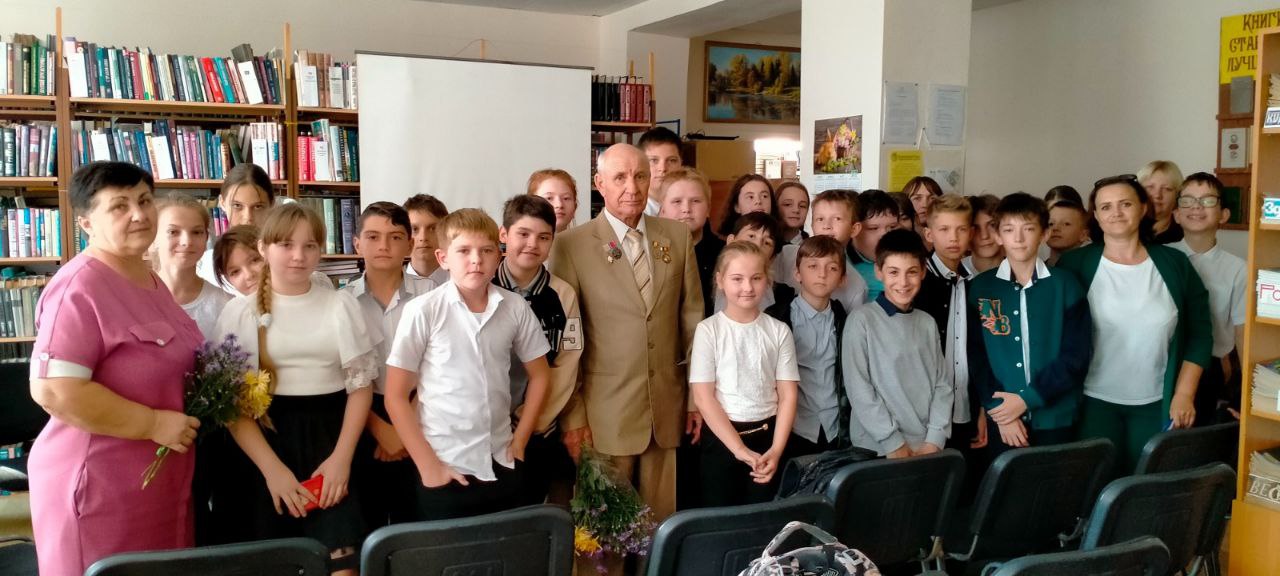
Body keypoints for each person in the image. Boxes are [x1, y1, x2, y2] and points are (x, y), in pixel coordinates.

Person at [29, 162, 204, 575]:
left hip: (156, 483)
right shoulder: (79, 287)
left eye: (144, 201)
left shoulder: (149, 280)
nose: (139, 214)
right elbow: (54, 390)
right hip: (100, 488)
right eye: (119, 206)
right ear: (87, 223)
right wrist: (152, 423)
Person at [214, 204, 379, 572]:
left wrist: (341, 460)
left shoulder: (341, 305)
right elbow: (233, 408)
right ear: (263, 248)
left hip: (331, 440)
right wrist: (273, 470)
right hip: (264, 445)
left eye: (310, 246)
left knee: (342, 562)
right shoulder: (240, 313)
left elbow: (360, 388)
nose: (298, 256)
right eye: (286, 245)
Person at [550, 143, 703, 527]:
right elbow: (568, 343)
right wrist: (573, 418)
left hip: (666, 410)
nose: (631, 187)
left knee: (660, 529)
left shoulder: (676, 236)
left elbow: (692, 321)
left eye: (640, 176)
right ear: (599, 183)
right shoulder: (570, 245)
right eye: (619, 178)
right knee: (607, 536)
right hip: (604, 416)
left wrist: (695, 397)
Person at [384, 209, 551, 520]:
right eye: (463, 251)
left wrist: (521, 440)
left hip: (502, 459)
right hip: (444, 464)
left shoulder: (514, 307)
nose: (476, 260)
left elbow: (540, 375)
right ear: (443, 258)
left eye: (486, 251)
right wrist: (428, 466)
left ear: (498, 256)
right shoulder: (423, 310)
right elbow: (395, 396)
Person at [1058, 175, 1211, 473]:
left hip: (1157, 401)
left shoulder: (1175, 263)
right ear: (1096, 216)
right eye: (1106, 207)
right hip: (1092, 402)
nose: (1116, 213)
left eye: (1125, 204)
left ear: (1142, 208)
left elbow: (1200, 334)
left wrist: (1184, 394)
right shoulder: (1074, 265)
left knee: (1147, 487)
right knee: (1092, 484)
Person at [968, 193, 1092, 456]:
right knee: (1005, 479)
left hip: (1056, 417)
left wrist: (1027, 399)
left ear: (1044, 234)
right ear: (998, 236)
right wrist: (999, 410)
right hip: (1003, 418)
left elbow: (1076, 356)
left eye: (1028, 229)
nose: (1018, 238)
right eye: (1009, 230)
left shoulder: (1066, 285)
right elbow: (976, 357)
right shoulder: (980, 288)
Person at [343, 202, 437, 529]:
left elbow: (441, 366)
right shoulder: (342, 302)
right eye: (373, 237)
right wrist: (383, 431)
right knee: (367, 524)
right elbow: (339, 376)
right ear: (357, 243)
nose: (384, 245)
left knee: (418, 524)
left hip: (422, 411)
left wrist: (405, 426)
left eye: (395, 237)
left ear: (409, 245)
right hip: (362, 416)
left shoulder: (433, 295)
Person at [690, 241, 798, 507]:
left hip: (768, 437)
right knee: (720, 517)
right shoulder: (708, 330)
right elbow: (703, 397)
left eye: (756, 278)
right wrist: (738, 449)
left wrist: (776, 450)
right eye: (737, 279)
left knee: (762, 517)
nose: (747, 287)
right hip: (721, 439)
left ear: (767, 280)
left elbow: (788, 395)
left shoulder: (778, 330)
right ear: (720, 280)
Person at [495, 195, 583, 506]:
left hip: (540, 429)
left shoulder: (563, 294)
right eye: (523, 234)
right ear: (504, 234)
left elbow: (567, 364)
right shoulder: (481, 285)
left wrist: (529, 421)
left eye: (543, 237)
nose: (532, 244)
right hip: (486, 429)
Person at [843, 229, 952, 458]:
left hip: (926, 447)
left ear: (923, 272)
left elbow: (942, 385)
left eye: (911, 272)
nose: (903, 282)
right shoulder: (861, 320)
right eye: (893, 272)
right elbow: (859, 388)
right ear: (878, 271)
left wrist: (934, 439)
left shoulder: (927, 323)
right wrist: (893, 443)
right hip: (877, 448)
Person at [1169, 172, 1247, 425]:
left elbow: (1242, 333)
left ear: (1224, 214)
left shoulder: (1238, 269)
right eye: (1187, 200)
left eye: (1207, 200)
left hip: (1210, 368)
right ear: (1176, 214)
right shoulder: (1162, 257)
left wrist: (1246, 390)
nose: (1196, 207)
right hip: (1163, 361)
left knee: (1194, 437)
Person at [914, 194, 986, 460]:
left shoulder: (974, 284)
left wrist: (982, 407)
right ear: (929, 234)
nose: (953, 238)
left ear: (971, 233)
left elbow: (979, 352)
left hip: (965, 408)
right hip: (923, 414)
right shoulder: (917, 283)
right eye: (944, 229)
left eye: (961, 229)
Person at [766, 236, 849, 459]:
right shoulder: (776, 318)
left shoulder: (845, 320)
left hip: (835, 426)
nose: (822, 274)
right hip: (793, 425)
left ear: (842, 278)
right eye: (813, 266)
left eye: (832, 268)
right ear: (797, 274)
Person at [776, 189, 868, 312]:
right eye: (820, 219)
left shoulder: (857, 284)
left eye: (837, 219)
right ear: (812, 225)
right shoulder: (786, 255)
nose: (827, 226)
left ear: (854, 229)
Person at [154, 196, 231, 340]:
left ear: (206, 237)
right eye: (173, 232)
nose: (186, 242)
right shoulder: (132, 300)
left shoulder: (225, 305)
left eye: (196, 232)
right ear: (153, 237)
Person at [197, 164, 276, 289]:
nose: (247, 217)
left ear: (272, 204)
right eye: (237, 206)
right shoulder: (208, 266)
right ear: (222, 203)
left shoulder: (286, 255)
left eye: (258, 207)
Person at [659, 166, 722, 319]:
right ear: (663, 210)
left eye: (695, 201)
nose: (686, 209)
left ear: (708, 209)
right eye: (677, 201)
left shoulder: (725, 254)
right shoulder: (649, 250)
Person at [713, 212, 787, 313]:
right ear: (731, 241)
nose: (757, 245)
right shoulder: (703, 280)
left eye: (767, 243)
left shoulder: (783, 299)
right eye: (751, 236)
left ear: (772, 258)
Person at [849, 189, 902, 303]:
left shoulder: (907, 257)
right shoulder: (841, 262)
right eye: (873, 228)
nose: (884, 235)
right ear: (854, 229)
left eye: (892, 227)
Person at [403, 193, 451, 285]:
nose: (423, 237)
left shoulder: (464, 284)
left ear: (446, 233)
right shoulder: (386, 285)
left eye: (433, 228)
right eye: (414, 229)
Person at [639, 126, 683, 217]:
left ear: (681, 164)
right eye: (653, 160)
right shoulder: (636, 213)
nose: (663, 168)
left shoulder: (691, 205)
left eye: (672, 160)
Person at [1138, 160, 1185, 244]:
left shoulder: (1185, 236)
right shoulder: (1123, 229)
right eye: (1150, 187)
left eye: (1166, 189)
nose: (1157, 195)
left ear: (1177, 196)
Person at [528, 168, 579, 233]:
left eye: (566, 198)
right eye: (549, 198)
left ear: (575, 207)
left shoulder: (585, 238)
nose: (559, 205)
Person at [965, 194, 1005, 274]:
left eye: (992, 225)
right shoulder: (954, 272)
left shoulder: (1020, 270)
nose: (984, 236)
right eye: (976, 228)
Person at [1046, 200, 1090, 266]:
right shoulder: (1034, 270)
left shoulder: (1092, 270)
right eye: (1051, 224)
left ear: (1083, 235)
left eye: (1066, 224)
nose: (1055, 228)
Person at [775, 181, 811, 246]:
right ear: (776, 206)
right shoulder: (763, 243)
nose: (796, 210)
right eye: (788, 204)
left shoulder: (813, 246)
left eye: (802, 206)